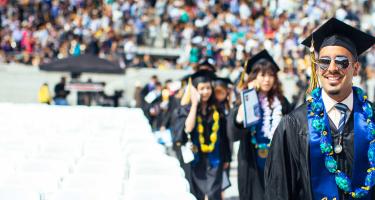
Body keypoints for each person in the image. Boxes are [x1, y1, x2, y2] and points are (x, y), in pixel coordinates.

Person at [264, 17, 375, 199]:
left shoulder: (372, 118)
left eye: (342, 61)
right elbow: (279, 189)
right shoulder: (294, 124)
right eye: (324, 61)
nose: (332, 68)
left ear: (355, 68)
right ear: (316, 69)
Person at [229, 50, 292, 200]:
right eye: (262, 75)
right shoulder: (246, 101)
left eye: (271, 75)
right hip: (251, 161)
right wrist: (249, 96)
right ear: (254, 77)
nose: (267, 80)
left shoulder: (282, 102)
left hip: (276, 160)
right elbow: (234, 134)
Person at [173, 70, 231, 200]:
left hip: (215, 159)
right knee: (197, 194)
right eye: (202, 88)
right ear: (195, 90)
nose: (205, 92)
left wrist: (227, 157)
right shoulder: (186, 109)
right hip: (195, 159)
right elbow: (188, 128)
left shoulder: (217, 110)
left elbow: (224, 136)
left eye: (208, 88)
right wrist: (194, 104)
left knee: (213, 194)